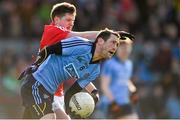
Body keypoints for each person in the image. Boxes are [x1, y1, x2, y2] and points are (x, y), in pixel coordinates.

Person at [18, 2, 135, 119]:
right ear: (56, 20)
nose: (71, 24)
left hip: (53, 91)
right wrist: (111, 34)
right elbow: (80, 37)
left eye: (73, 21)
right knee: (49, 117)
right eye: (68, 20)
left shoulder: (93, 66)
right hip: (38, 84)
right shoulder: (54, 31)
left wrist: (93, 92)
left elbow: (77, 72)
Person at [20, 28, 123, 119]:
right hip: (36, 84)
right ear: (100, 41)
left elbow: (71, 92)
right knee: (50, 117)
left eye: (117, 44)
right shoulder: (81, 45)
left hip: (49, 93)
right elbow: (49, 49)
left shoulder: (95, 70)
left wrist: (73, 113)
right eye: (113, 42)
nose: (115, 47)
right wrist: (36, 64)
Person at [99, 43, 138, 119]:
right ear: (117, 49)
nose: (125, 50)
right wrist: (113, 102)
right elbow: (104, 86)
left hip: (125, 102)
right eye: (122, 47)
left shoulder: (129, 64)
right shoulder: (109, 64)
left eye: (127, 48)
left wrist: (133, 91)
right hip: (112, 103)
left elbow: (126, 80)